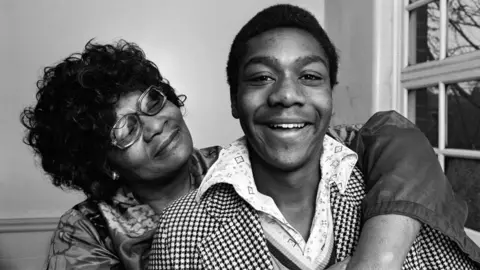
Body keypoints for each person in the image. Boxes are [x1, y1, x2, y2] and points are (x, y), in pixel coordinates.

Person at [148, 4, 480, 270]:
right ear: (235, 100)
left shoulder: (392, 192)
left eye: (309, 76)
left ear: (330, 96)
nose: (287, 94)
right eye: (262, 77)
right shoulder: (180, 230)